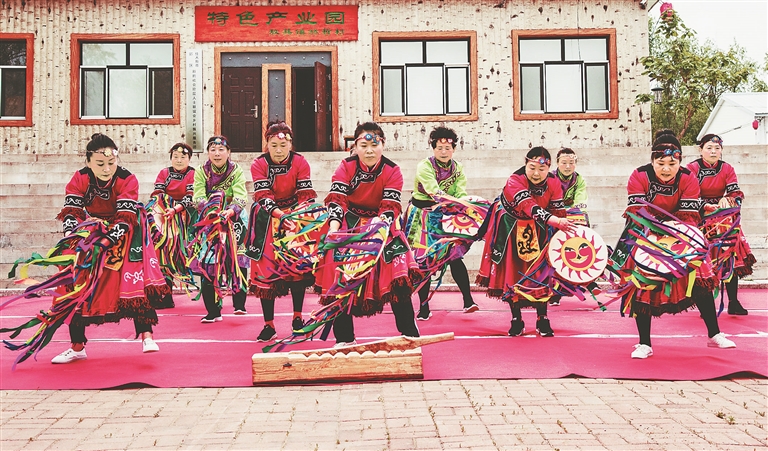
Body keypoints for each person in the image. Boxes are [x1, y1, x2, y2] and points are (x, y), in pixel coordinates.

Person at [50, 133, 168, 363]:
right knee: (74, 280)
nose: (106, 169)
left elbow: (125, 218)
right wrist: (71, 234)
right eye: (100, 164)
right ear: (88, 162)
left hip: (127, 230)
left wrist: (107, 241)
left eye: (111, 163)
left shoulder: (127, 178)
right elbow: (72, 211)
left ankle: (147, 335)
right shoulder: (80, 177)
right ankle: (77, 346)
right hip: (92, 229)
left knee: (133, 281)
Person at [617, 130, 735, 359]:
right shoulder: (639, 175)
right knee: (642, 283)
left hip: (680, 233)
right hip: (645, 234)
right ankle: (644, 343)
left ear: (679, 162)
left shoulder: (688, 177)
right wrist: (658, 229)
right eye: (660, 163)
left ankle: (714, 333)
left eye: (672, 164)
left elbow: (688, 216)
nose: (666, 169)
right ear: (652, 160)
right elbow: (638, 213)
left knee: (700, 278)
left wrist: (674, 230)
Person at [316, 122, 420, 346]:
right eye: (364, 146)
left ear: (383, 145)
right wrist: (333, 229)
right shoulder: (346, 166)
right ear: (355, 147)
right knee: (339, 275)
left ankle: (410, 334)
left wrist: (378, 228)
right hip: (348, 225)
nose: (369, 151)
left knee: (397, 275)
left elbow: (389, 207)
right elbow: (337, 200)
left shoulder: (392, 170)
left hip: (382, 225)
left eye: (375, 145)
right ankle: (344, 338)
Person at [476, 147, 574, 337]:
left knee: (542, 273)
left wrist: (563, 232)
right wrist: (555, 221)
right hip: (510, 228)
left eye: (541, 169)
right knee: (512, 273)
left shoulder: (554, 182)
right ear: (525, 164)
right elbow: (529, 206)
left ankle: (542, 318)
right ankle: (516, 319)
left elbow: (558, 211)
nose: (536, 173)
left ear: (549, 168)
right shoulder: (515, 180)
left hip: (539, 229)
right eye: (532, 168)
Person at [248, 121, 317, 342]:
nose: (278, 150)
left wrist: (297, 217)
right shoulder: (259, 164)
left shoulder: (300, 161)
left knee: (297, 267)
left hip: (295, 217)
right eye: (274, 145)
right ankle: (269, 325)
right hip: (267, 218)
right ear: (267, 145)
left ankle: (297, 318)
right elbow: (263, 196)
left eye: (283, 145)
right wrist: (280, 215)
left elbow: (305, 194)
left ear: (290, 144)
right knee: (266, 271)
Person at [404, 126, 479, 320]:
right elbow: (434, 191)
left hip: (445, 213)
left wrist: (466, 206)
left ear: (454, 149)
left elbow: (460, 192)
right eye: (439, 148)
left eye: (447, 148)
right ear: (433, 148)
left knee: (454, 254)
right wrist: (457, 203)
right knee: (423, 260)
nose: (444, 152)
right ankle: (424, 307)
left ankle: (468, 300)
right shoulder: (425, 166)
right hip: (421, 216)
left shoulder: (458, 168)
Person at [687, 134, 754, 315]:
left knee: (729, 257)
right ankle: (705, 305)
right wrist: (705, 206)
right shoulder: (691, 169)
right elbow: (688, 195)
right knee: (703, 261)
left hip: (723, 219)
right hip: (700, 217)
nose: (713, 151)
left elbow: (735, 193)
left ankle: (733, 301)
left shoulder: (727, 168)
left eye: (717, 148)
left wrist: (728, 199)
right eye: (709, 148)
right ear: (700, 150)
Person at [191, 135, 249, 323]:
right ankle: (213, 311)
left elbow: (240, 195)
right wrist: (211, 212)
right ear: (208, 153)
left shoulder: (236, 170)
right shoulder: (201, 171)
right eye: (213, 150)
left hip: (234, 218)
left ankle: (239, 304)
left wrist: (230, 211)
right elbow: (198, 196)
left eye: (221, 150)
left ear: (228, 152)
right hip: (210, 219)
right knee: (209, 261)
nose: (217, 154)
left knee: (238, 259)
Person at [148, 142, 196, 308]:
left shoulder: (192, 174)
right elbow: (158, 194)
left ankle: (167, 296)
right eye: (175, 157)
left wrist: (175, 209)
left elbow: (190, 196)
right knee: (160, 252)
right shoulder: (164, 173)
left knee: (172, 254)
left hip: (182, 217)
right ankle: (159, 293)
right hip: (164, 215)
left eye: (183, 157)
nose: (179, 160)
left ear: (189, 159)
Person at [548, 147, 598, 305]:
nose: (568, 166)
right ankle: (555, 292)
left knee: (584, 243)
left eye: (571, 162)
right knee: (553, 252)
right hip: (554, 216)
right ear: (557, 163)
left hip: (573, 217)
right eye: (564, 162)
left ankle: (589, 281)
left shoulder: (579, 179)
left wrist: (573, 216)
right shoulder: (550, 178)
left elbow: (580, 202)